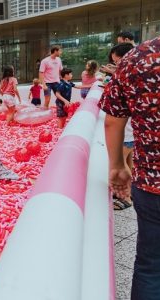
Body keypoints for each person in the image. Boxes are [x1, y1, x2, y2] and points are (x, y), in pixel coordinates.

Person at [98, 36, 160, 300]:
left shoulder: (138, 57)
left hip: (151, 183)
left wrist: (117, 167)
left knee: (150, 267)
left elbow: (113, 121)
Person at [105, 42, 135, 210]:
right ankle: (131, 195)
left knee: (121, 164)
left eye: (118, 62)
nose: (117, 66)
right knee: (128, 162)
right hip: (132, 133)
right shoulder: (137, 77)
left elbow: (112, 121)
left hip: (127, 133)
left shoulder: (127, 80)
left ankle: (127, 198)